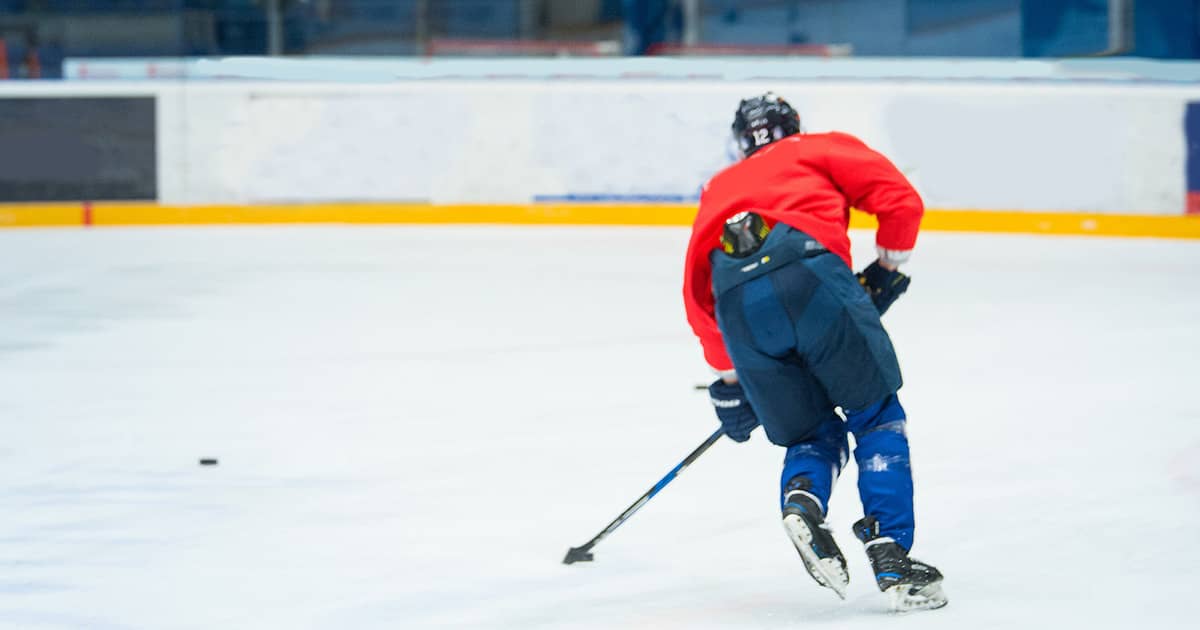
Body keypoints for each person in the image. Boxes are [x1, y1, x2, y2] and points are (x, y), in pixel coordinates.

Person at [682, 93, 947, 612]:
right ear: (793, 126)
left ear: (741, 144)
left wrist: (731, 385)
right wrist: (888, 269)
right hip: (813, 278)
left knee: (810, 433)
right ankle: (891, 550)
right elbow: (901, 201)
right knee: (876, 417)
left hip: (738, 307)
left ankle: (802, 501)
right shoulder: (820, 148)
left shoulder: (719, 187)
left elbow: (697, 289)